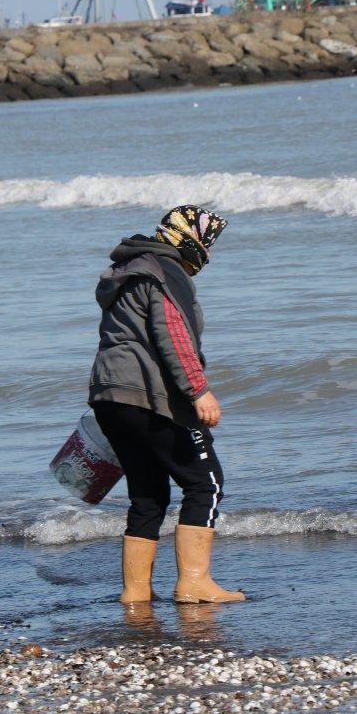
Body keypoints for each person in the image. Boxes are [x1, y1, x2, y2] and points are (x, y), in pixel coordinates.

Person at [88, 205, 245, 605]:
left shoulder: (127, 271)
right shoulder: (165, 271)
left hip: (109, 394)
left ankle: (135, 592)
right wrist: (197, 390)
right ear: (192, 241)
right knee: (204, 482)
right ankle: (194, 583)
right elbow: (171, 335)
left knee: (148, 492)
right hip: (147, 394)